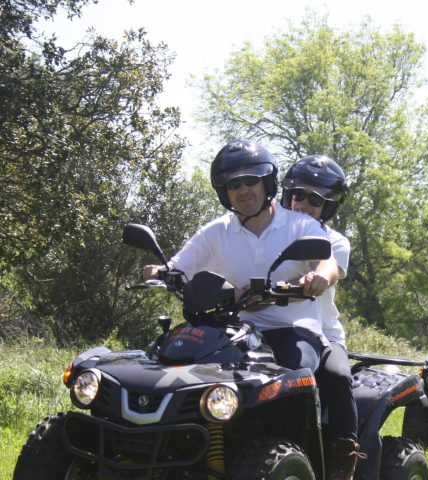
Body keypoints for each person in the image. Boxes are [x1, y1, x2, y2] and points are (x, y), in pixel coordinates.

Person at [142, 139, 356, 477]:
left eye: (250, 180)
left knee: (297, 372)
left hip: (294, 330)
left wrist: (319, 276)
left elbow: (327, 260)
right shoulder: (215, 232)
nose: (243, 190)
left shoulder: (300, 226)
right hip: (234, 331)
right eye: (233, 184)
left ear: (267, 183)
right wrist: (160, 272)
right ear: (224, 192)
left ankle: (320, 459)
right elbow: (180, 265)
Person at [280, 154, 362, 479]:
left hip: (322, 334)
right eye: (298, 194)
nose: (304, 203)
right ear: (287, 194)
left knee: (339, 377)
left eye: (315, 199)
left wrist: (318, 277)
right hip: (266, 329)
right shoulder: (266, 232)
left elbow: (330, 266)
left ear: (327, 207)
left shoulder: (335, 240)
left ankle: (344, 459)